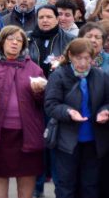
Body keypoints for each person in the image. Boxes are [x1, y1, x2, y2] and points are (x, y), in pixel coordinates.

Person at [0, 26, 46, 198]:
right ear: (2, 42)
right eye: (10, 38)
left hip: (27, 134)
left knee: (26, 176)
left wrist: (40, 92)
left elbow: (45, 103)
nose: (15, 42)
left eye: (19, 40)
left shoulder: (34, 69)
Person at [45, 38, 109, 198]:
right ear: (70, 56)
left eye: (87, 58)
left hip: (94, 141)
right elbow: (51, 104)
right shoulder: (59, 75)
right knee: (66, 186)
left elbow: (107, 101)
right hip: (67, 141)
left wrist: (105, 111)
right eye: (78, 57)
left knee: (90, 186)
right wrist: (68, 112)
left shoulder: (101, 75)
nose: (83, 62)